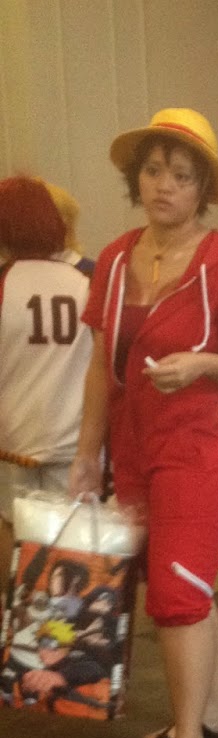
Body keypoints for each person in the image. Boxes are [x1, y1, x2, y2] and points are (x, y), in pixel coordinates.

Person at [68, 108, 218, 738]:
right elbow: (101, 365)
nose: (165, 185)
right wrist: (86, 454)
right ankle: (212, 714)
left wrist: (202, 364)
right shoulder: (116, 257)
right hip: (134, 446)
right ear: (138, 179)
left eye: (182, 176)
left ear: (201, 190)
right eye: (154, 171)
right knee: (176, 580)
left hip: (201, 446)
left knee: (178, 593)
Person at [0, 176, 94, 595]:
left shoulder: (3, 282)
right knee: (72, 542)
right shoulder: (87, 281)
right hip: (75, 440)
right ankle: (64, 625)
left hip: (12, 440)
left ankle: (15, 616)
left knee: (10, 529)